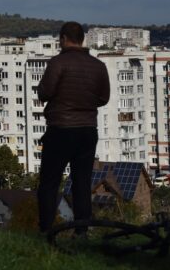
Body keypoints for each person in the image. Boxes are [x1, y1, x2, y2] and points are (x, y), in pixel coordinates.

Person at [37, 21, 110, 233]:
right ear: (83, 39)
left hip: (60, 129)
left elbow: (45, 93)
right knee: (82, 183)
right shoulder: (98, 66)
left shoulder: (58, 63)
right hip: (88, 130)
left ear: (63, 39)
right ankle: (82, 232)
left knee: (49, 183)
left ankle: (46, 230)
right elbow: (104, 98)